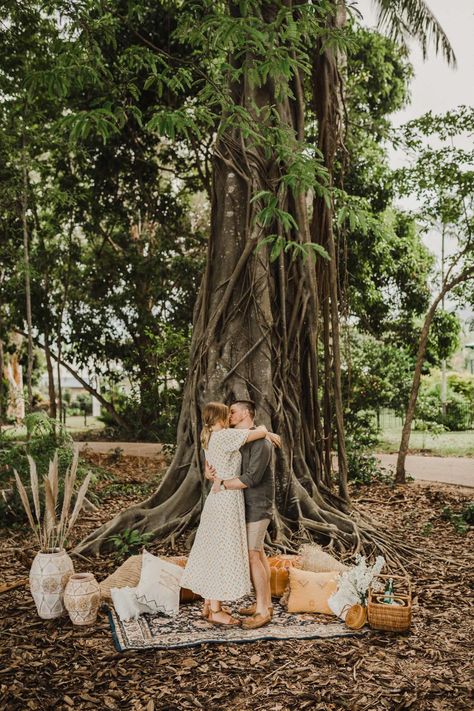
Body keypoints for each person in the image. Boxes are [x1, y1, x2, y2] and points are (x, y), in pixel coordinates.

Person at [180, 401, 279, 627]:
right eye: (227, 413)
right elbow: (218, 458)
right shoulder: (230, 435)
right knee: (252, 552)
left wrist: (221, 482)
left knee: (254, 553)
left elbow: (252, 478)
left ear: (245, 413)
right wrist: (213, 475)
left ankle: (263, 609)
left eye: (233, 411)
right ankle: (260, 603)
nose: (230, 415)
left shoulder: (257, 441)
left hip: (255, 504)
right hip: (231, 503)